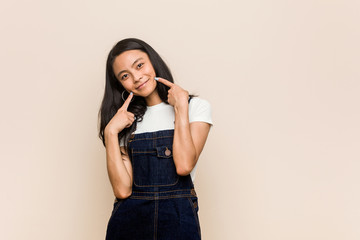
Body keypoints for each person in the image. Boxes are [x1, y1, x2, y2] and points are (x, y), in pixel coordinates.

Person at [98, 38, 212, 240]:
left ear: (153, 61)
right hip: (130, 223)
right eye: (125, 76)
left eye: (140, 65)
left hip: (178, 220)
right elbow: (123, 190)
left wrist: (181, 108)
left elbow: (184, 165)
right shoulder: (125, 121)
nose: (136, 77)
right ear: (120, 84)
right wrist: (111, 132)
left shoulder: (196, 107)